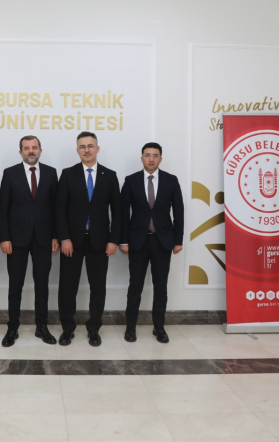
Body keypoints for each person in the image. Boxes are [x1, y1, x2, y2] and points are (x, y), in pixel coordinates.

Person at [56, 131, 121, 347]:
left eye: (90, 146)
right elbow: (59, 210)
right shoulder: (68, 174)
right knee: (68, 287)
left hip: (100, 242)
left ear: (97, 149)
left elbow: (118, 212)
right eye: (82, 147)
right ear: (77, 150)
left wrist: (113, 240)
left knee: (98, 287)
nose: (87, 150)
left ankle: (94, 329)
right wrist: (64, 238)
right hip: (72, 242)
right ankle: (67, 328)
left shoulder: (109, 176)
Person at [119, 142, 184, 344]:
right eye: (147, 155)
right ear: (142, 158)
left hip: (162, 241)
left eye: (155, 155)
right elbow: (122, 213)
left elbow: (179, 211)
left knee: (161, 287)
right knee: (135, 287)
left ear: (160, 159)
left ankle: (159, 327)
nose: (151, 159)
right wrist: (123, 240)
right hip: (137, 241)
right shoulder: (130, 180)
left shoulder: (171, 180)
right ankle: (130, 327)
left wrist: (178, 240)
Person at [0, 135, 59, 347]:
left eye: (34, 147)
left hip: (44, 239)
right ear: (20, 152)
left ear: (40, 150)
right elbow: (2, 209)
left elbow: (56, 208)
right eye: (26, 148)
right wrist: (4, 237)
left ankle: (42, 326)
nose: (30, 151)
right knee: (15, 286)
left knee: (42, 285)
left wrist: (55, 236)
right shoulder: (10, 173)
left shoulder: (51, 173)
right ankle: (12, 328)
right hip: (16, 240)